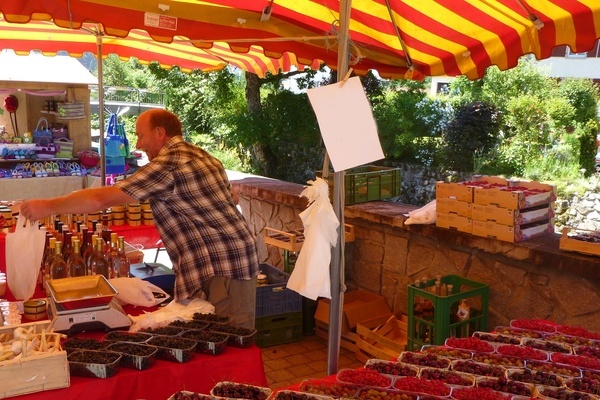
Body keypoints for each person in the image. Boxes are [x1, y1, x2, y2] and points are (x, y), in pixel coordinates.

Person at [20, 109, 260, 329]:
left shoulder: (169, 163)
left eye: (141, 135)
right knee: (212, 333)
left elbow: (99, 200)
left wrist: (47, 206)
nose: (138, 144)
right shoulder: (202, 155)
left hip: (225, 266)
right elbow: (233, 197)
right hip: (224, 258)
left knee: (229, 338)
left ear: (160, 133)